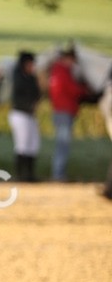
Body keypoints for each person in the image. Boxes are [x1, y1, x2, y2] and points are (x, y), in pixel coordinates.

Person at [48, 45, 91, 183]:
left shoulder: (58, 71)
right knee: (62, 144)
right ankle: (58, 174)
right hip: (63, 112)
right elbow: (72, 89)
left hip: (62, 111)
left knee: (62, 144)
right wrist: (85, 90)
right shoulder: (62, 72)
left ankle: (59, 173)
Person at [8, 51, 41, 181]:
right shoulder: (18, 78)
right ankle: (21, 175)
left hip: (30, 115)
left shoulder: (31, 78)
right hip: (20, 114)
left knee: (33, 144)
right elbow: (20, 97)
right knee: (22, 144)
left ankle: (30, 174)